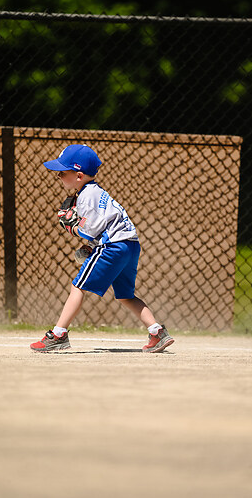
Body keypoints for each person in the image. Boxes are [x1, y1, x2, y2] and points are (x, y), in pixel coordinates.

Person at [30, 144, 174, 353]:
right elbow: (101, 228)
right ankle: (156, 331)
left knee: (78, 287)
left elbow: (88, 231)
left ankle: (59, 334)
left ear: (79, 176)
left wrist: (71, 227)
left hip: (113, 246)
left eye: (62, 173)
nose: (59, 176)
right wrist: (91, 247)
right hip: (129, 245)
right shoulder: (96, 192)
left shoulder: (87, 196)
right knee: (125, 295)